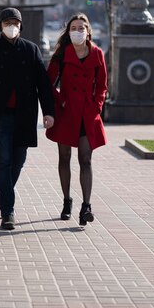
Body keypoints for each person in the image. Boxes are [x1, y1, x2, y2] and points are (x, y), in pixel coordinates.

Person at [0, 7, 55, 230]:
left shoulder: (31, 50)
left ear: (21, 26)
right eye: (8, 22)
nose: (12, 26)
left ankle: (3, 195)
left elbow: (43, 85)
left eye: (15, 23)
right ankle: (8, 211)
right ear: (1, 26)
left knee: (18, 160)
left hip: (24, 116)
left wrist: (48, 112)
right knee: (3, 161)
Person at [45, 13, 107, 226]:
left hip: (87, 114)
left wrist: (97, 107)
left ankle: (86, 206)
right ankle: (66, 201)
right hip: (66, 113)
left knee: (86, 159)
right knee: (64, 158)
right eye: (74, 28)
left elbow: (102, 86)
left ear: (88, 31)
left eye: (82, 28)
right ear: (68, 31)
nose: (78, 31)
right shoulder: (62, 55)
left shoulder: (97, 54)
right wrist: (59, 102)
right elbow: (47, 84)